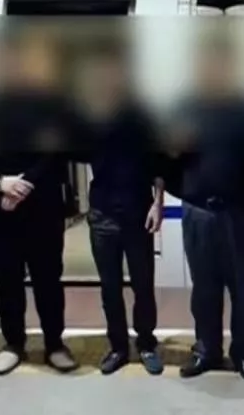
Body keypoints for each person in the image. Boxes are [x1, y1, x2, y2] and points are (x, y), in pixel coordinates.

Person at [0, 27, 79, 376]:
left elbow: (57, 152)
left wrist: (24, 184)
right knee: (7, 281)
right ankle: (14, 344)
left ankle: (54, 344)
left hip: (42, 206)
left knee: (49, 281)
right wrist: (0, 183)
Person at [168, 35, 244, 381]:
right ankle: (207, 350)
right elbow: (165, 155)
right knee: (204, 288)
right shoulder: (184, 107)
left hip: (239, 211)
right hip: (198, 210)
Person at [73, 41, 165, 376]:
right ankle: (118, 347)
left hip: (139, 211)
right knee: (109, 287)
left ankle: (147, 343)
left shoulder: (144, 115)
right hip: (102, 214)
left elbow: (158, 163)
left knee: (143, 284)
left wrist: (158, 203)